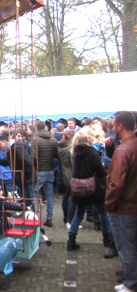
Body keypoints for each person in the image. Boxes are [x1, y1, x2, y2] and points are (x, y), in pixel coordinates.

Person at [66, 129, 117, 259]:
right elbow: (100, 172)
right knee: (103, 213)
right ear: (88, 140)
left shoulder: (75, 153)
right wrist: (104, 167)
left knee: (79, 214)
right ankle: (107, 239)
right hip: (94, 188)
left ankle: (71, 241)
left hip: (79, 189)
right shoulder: (92, 153)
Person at [106, 111, 137, 292]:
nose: (112, 128)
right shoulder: (128, 147)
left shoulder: (123, 150)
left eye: (114, 125)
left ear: (120, 126)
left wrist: (110, 205)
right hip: (131, 204)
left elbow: (115, 183)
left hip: (124, 207)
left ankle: (131, 284)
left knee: (127, 248)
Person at [31, 120, 59, 227]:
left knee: (34, 194)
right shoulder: (53, 139)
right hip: (50, 170)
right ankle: (49, 217)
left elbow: (33, 157)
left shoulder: (35, 140)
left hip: (39, 170)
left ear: (36, 128)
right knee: (50, 195)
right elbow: (56, 155)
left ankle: (35, 217)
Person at [58, 131, 77, 228]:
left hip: (65, 175)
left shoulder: (61, 148)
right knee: (71, 197)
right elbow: (73, 164)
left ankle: (66, 218)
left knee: (66, 196)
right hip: (71, 175)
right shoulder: (70, 150)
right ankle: (70, 219)